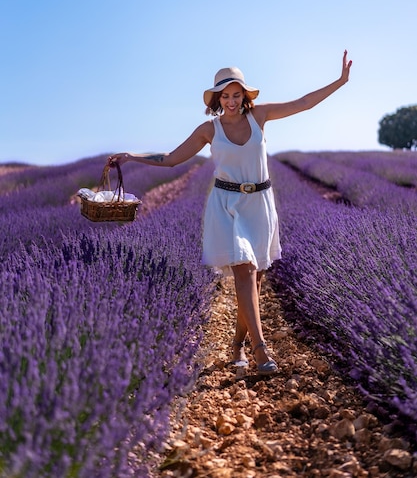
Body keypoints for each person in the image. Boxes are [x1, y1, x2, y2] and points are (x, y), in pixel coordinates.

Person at [109, 50, 352, 375]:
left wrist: (340, 81)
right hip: (226, 205)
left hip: (260, 204)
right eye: (226, 96)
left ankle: (237, 343)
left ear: (244, 95)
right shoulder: (209, 130)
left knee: (256, 280)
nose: (232, 101)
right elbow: (170, 158)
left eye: (237, 95)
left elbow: (304, 102)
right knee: (245, 271)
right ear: (217, 98)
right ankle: (260, 349)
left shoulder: (260, 117)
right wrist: (132, 156)